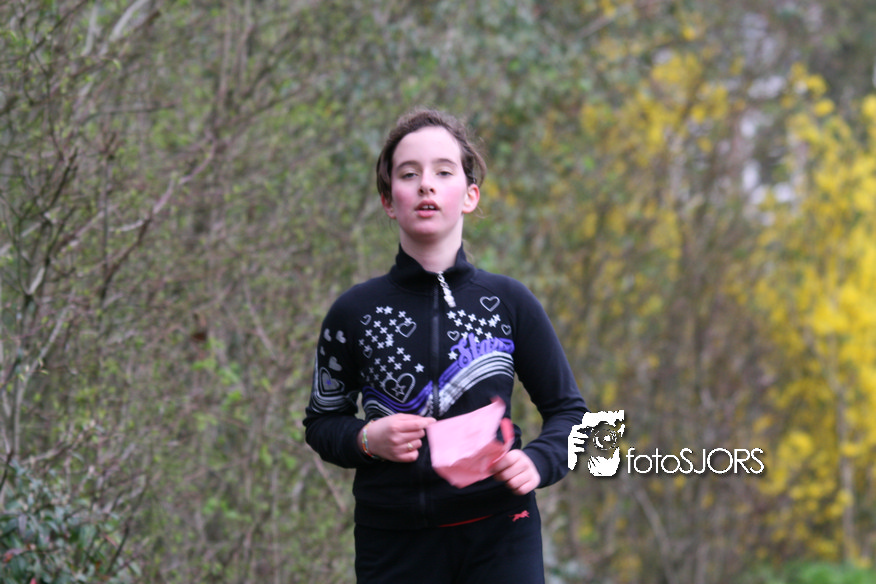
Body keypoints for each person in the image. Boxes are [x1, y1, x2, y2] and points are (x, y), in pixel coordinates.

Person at [304, 108, 588, 584]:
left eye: (442, 172)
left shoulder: (510, 302)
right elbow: (321, 423)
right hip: (392, 542)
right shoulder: (353, 312)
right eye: (408, 174)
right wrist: (367, 439)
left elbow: (573, 415)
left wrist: (539, 462)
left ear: (470, 195)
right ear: (388, 201)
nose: (425, 186)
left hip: (502, 533)